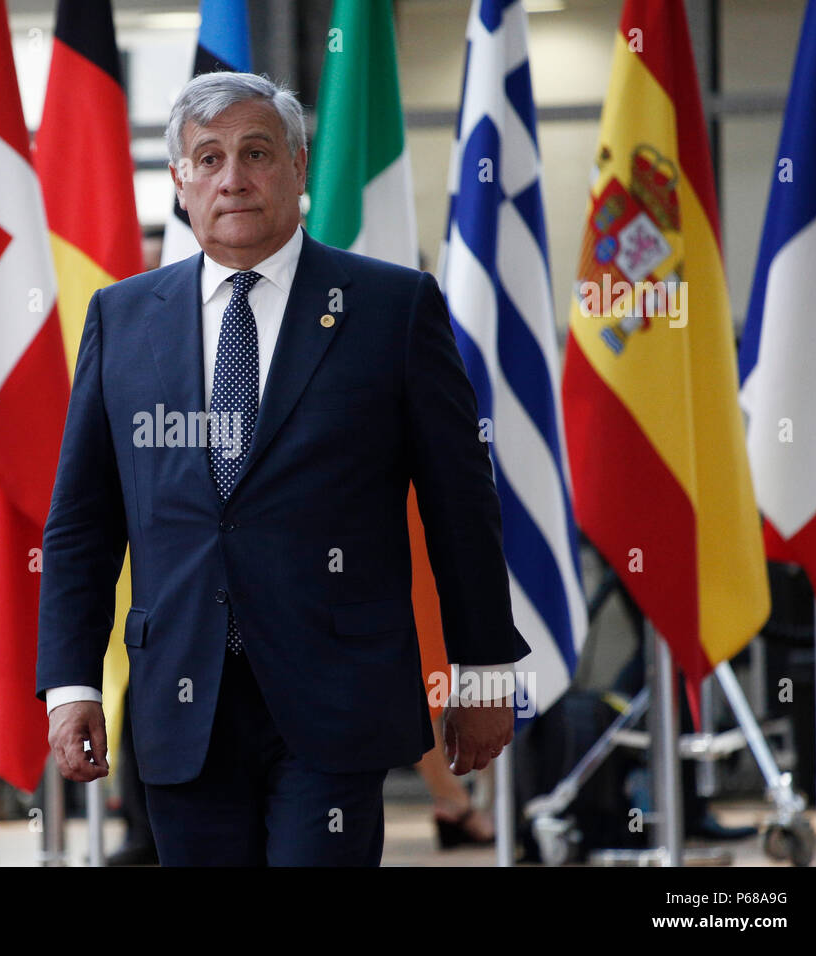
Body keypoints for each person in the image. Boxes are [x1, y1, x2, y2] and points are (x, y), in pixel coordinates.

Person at [37, 71, 529, 866]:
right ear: (180, 182)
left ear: (299, 166)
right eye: (209, 159)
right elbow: (83, 522)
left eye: (257, 153)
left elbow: (461, 506)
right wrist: (72, 685)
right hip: (181, 700)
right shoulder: (122, 318)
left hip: (334, 697)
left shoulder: (392, 308)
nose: (233, 178)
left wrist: (481, 672)